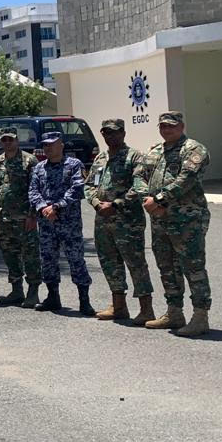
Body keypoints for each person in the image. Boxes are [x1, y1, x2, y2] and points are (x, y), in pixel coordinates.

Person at [132, 110, 213, 336]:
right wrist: (146, 199)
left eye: (172, 126)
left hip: (187, 220)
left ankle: (200, 316)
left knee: (193, 267)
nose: (167, 129)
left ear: (181, 126)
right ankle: (174, 312)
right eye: (163, 126)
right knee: (167, 267)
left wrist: (159, 199)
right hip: (160, 220)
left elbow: (186, 179)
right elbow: (139, 175)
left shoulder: (194, 149)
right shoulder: (155, 151)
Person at [85, 118, 155, 325]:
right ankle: (118, 306)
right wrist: (97, 203)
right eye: (106, 133)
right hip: (103, 220)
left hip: (127, 221)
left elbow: (139, 187)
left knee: (136, 263)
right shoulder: (100, 158)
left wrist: (115, 204)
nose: (110, 136)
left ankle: (146, 309)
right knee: (109, 263)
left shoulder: (134, 157)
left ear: (123, 133)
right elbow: (89, 184)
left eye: (114, 132)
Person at [29, 132, 94, 315]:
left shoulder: (74, 165)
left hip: (68, 222)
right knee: (48, 259)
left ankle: (84, 300)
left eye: (52, 144)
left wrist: (56, 207)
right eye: (46, 145)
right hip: (46, 223)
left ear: (61, 145)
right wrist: (43, 207)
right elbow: (33, 191)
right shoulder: (40, 167)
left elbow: (78, 189)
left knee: (76, 259)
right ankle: (53, 297)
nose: (48, 148)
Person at [0, 128, 41, 307]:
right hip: (4, 217)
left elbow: (36, 189)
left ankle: (33, 291)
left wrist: (32, 215)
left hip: (24, 218)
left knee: (30, 255)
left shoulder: (29, 160)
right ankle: (16, 289)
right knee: (9, 254)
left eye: (10, 140)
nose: (7, 143)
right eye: (4, 140)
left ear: (17, 140)